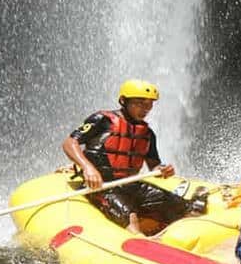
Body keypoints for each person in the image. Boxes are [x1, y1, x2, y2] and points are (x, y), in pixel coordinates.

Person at [62, 79, 199, 235]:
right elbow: (69, 143)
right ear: (123, 101)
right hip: (101, 186)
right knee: (130, 218)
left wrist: (162, 169)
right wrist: (88, 168)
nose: (145, 109)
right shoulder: (102, 120)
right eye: (139, 103)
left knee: (185, 207)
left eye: (149, 104)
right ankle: (139, 241)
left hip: (129, 184)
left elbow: (154, 165)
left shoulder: (147, 134)